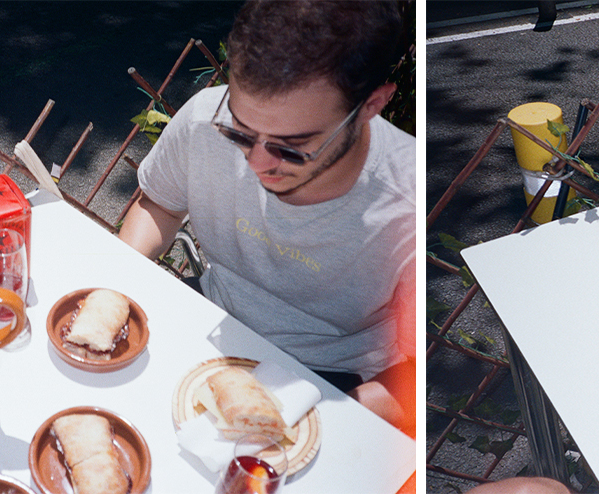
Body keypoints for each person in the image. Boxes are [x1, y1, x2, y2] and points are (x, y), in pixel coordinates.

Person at [118, 0, 416, 435]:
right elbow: (158, 205)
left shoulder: (406, 204)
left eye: (292, 145)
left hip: (333, 382)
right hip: (210, 318)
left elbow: (410, 377)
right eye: (239, 131)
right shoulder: (204, 117)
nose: (257, 163)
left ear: (373, 104)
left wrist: (314, 420)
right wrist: (119, 287)